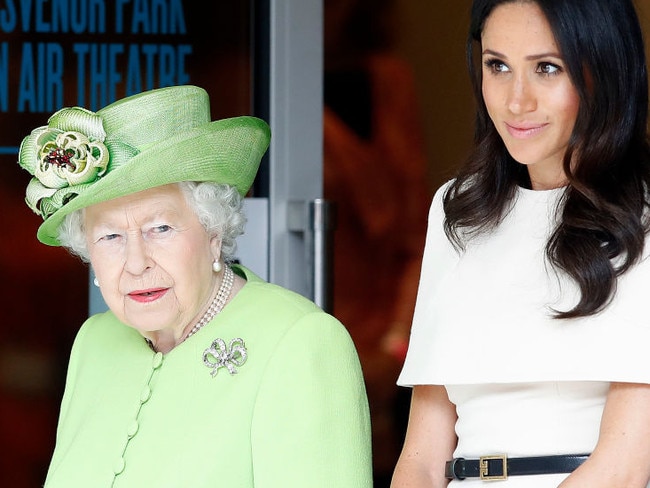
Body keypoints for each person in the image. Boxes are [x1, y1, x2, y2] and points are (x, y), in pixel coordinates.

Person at [17, 85, 373, 488]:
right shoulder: (94, 342)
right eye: (110, 237)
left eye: (161, 228)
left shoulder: (301, 340)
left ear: (213, 231)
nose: (136, 263)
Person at [391, 0, 650, 486]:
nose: (516, 101)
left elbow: (625, 467)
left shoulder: (642, 218)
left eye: (547, 68)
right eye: (498, 66)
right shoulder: (456, 211)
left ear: (604, 71)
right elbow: (421, 458)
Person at [323, 0, 430, 483]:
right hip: (322, 314)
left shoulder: (389, 81)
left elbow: (414, 226)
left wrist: (398, 338)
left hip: (395, 329)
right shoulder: (265, 77)